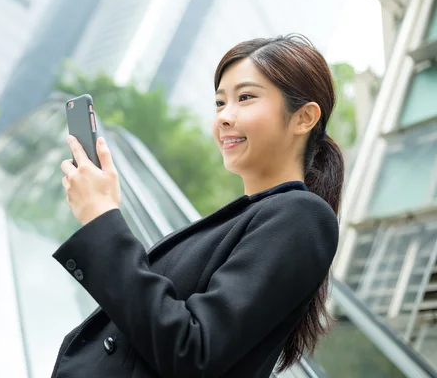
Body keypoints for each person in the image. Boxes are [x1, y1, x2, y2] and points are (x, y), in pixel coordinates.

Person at [55, 34, 343, 378]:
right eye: (220, 103)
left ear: (304, 117)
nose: (224, 117)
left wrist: (101, 219)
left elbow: (192, 352)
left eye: (246, 97)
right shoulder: (246, 219)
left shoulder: (302, 217)